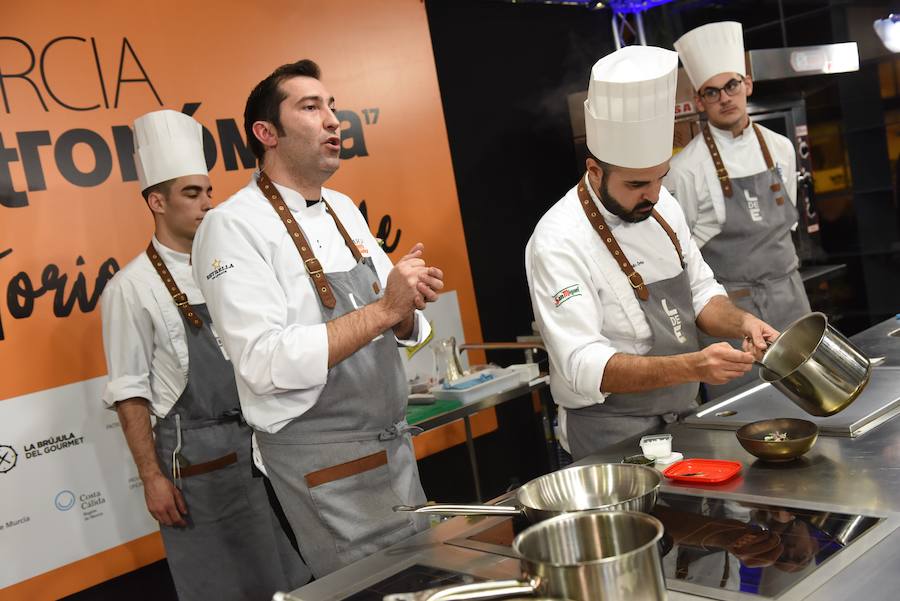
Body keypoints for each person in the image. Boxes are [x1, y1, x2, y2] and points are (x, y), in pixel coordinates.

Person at [191, 60, 444, 577]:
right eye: (310, 107)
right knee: (370, 589)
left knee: (422, 581)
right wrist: (383, 309)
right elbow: (262, 362)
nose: (334, 119)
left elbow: (401, 326)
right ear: (267, 134)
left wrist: (407, 306)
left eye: (331, 105)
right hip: (324, 465)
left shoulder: (343, 209)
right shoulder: (230, 226)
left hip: (393, 448)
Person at [525, 46, 778, 461]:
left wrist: (742, 322)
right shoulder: (557, 240)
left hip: (683, 418)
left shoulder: (663, 205)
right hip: (611, 433)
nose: (654, 195)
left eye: (661, 176)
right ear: (594, 172)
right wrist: (693, 367)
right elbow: (582, 364)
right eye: (637, 184)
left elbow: (700, 290)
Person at [100, 110, 310, 600]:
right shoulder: (129, 289)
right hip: (198, 464)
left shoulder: (233, 266)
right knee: (225, 588)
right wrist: (151, 476)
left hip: (264, 445)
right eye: (192, 194)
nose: (208, 204)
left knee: (293, 581)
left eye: (209, 192)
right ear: (156, 201)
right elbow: (129, 392)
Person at [665, 21, 811, 398]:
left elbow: (789, 220)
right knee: (741, 410)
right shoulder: (685, 171)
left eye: (731, 85)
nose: (724, 98)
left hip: (790, 299)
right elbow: (682, 257)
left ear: (747, 84)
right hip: (731, 314)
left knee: (806, 397)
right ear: (699, 102)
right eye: (711, 92)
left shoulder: (781, 147)